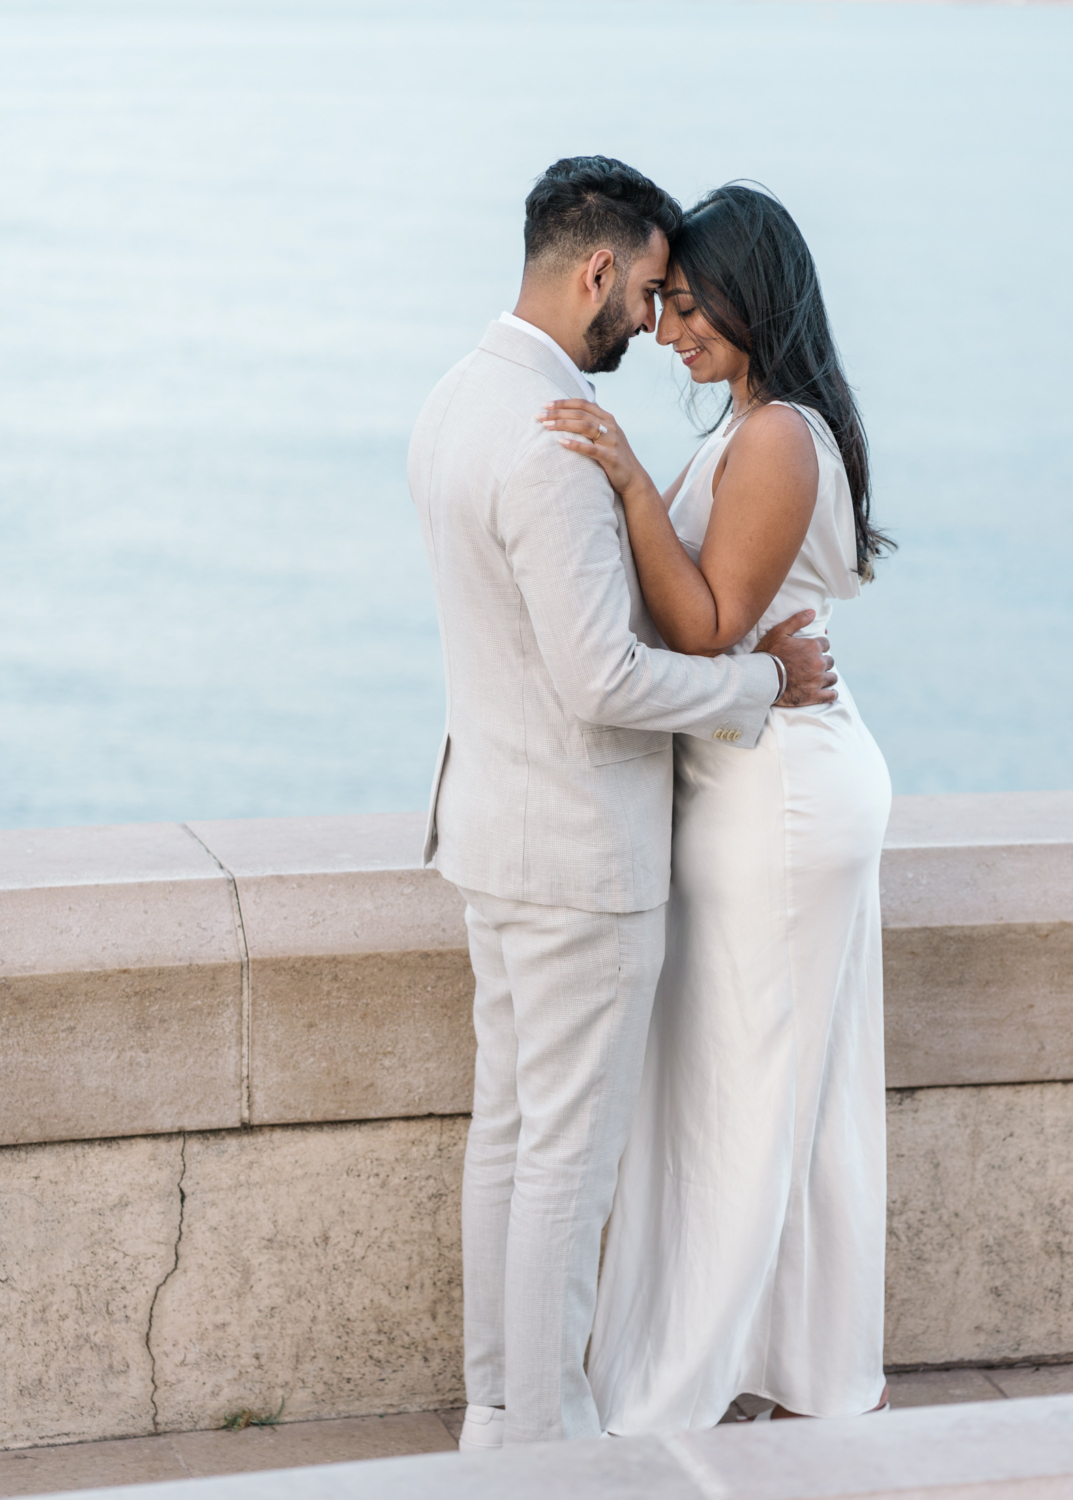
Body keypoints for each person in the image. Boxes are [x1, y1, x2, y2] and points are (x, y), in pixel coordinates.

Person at [407, 159, 836, 1447]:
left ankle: (496, 1415)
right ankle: (542, 1445)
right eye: (647, 291)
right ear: (594, 269)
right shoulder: (549, 446)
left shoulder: (455, 397)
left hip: (489, 831)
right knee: (564, 1168)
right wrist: (760, 679)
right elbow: (601, 681)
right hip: (577, 857)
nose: (651, 323)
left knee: (509, 1139)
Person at [540, 183, 893, 1431]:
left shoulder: (778, 435)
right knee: (755, 1084)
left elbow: (702, 624)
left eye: (690, 305)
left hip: (781, 795)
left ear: (753, 297)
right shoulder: (748, 425)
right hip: (757, 774)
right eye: (664, 301)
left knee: (746, 1090)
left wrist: (628, 481)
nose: (668, 329)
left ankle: (681, 1385)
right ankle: (784, 1365)